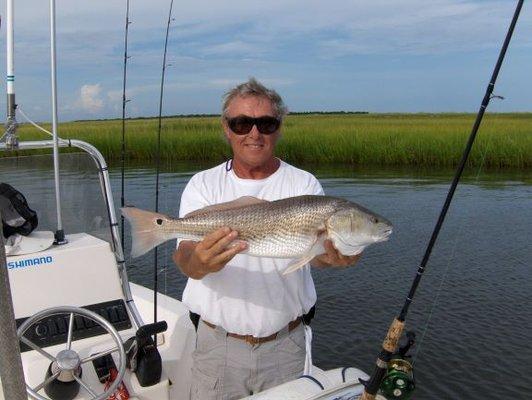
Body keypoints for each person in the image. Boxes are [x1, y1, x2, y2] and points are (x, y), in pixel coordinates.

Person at [173, 78, 361, 400]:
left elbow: (314, 254)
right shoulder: (203, 185)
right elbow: (185, 258)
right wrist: (199, 263)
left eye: (266, 123)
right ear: (227, 128)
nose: (254, 133)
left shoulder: (305, 184)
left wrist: (333, 257)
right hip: (217, 346)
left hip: (286, 344)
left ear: (279, 127)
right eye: (242, 123)